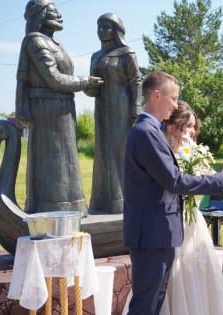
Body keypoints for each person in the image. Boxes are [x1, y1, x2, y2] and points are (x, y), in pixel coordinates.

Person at [123, 71, 223, 315]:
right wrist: (222, 181)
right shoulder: (146, 132)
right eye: (173, 98)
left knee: (154, 302)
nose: (176, 105)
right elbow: (174, 181)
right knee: (146, 305)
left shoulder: (151, 131)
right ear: (156, 95)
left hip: (159, 232)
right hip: (151, 234)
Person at [15, 0, 103, 214]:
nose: (60, 16)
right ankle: (51, 210)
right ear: (40, 15)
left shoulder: (54, 42)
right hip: (47, 110)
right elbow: (53, 78)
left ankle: (71, 208)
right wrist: (84, 82)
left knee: (67, 162)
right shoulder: (35, 41)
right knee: (53, 162)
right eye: (54, 11)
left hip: (61, 108)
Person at [84, 13, 142, 213]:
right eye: (99, 27)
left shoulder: (127, 53)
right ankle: (102, 203)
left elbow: (136, 80)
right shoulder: (95, 56)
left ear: (116, 29)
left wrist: (136, 106)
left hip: (122, 107)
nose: (101, 31)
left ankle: (124, 200)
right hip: (102, 108)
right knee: (103, 154)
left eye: (106, 27)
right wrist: (87, 86)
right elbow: (93, 87)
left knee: (120, 151)